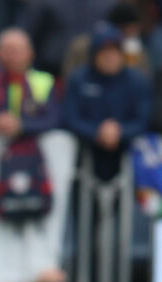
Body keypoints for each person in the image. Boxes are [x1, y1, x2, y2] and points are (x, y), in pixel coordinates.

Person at [61, 22, 151, 181]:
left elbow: (144, 119)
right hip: (88, 145)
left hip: (126, 145)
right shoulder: (79, 79)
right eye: (104, 51)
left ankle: (140, 202)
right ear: (94, 54)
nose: (110, 57)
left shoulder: (137, 80)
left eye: (115, 51)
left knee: (146, 143)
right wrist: (97, 132)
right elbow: (70, 118)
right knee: (64, 141)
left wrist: (120, 132)